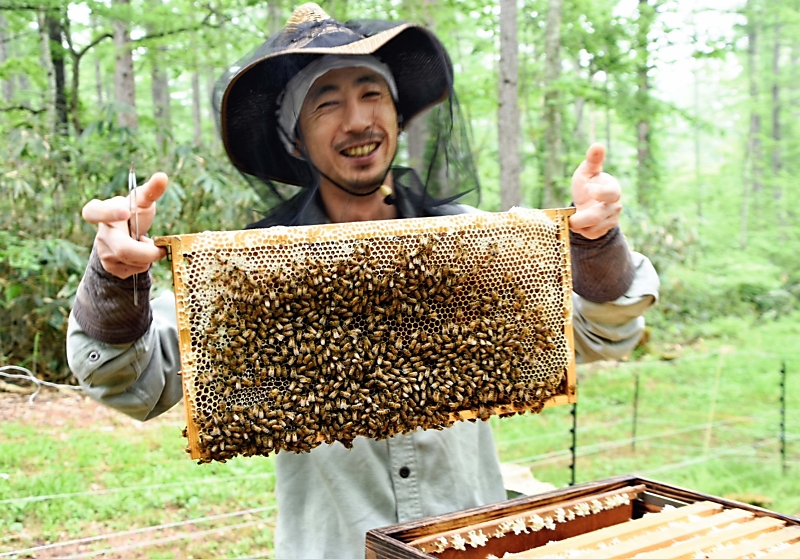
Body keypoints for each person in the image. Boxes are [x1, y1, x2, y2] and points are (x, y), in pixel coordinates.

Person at [67, 4, 659, 558]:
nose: (357, 120)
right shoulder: (252, 275)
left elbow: (603, 330)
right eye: (326, 104)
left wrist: (596, 242)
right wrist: (114, 277)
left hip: (470, 538)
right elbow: (130, 380)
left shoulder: (480, 247)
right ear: (294, 137)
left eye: (371, 93)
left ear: (397, 116)